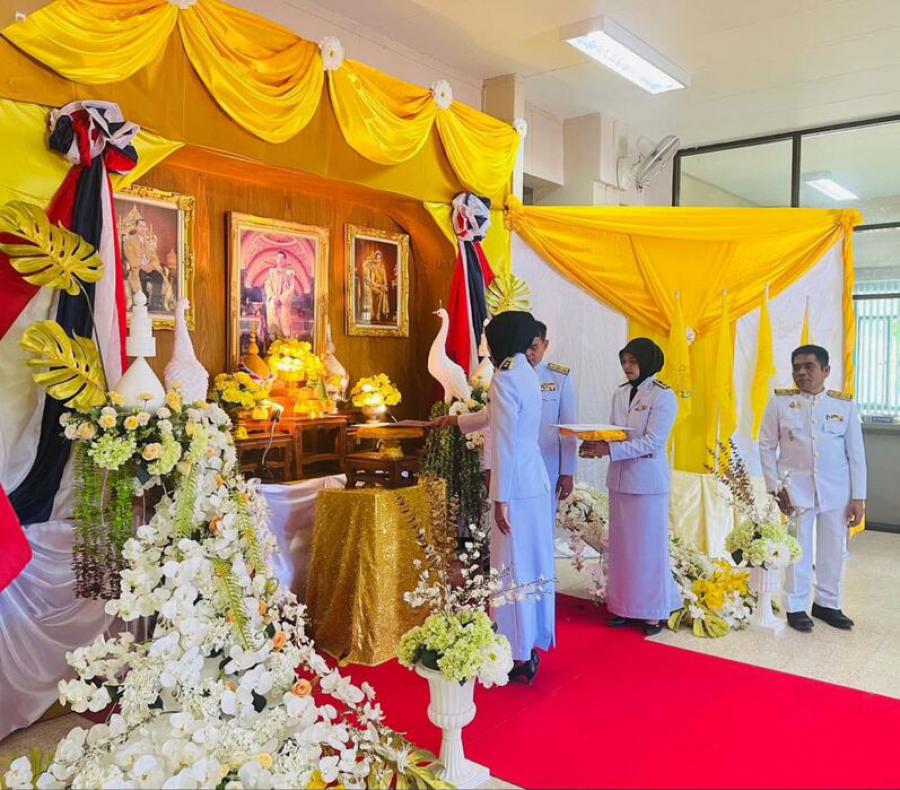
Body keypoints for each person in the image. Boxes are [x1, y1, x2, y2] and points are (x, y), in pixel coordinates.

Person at [759, 344, 867, 633]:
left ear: (826, 370)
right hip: (794, 490)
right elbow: (767, 446)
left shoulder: (843, 405)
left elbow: (856, 455)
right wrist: (775, 487)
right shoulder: (780, 402)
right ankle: (795, 606)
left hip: (836, 492)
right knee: (797, 550)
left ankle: (827, 604)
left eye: (809, 367)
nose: (801, 373)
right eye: (797, 368)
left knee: (833, 549)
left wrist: (859, 498)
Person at [581, 338, 681, 636]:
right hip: (620, 480)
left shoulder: (663, 395)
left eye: (633, 361)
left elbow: (653, 442)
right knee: (622, 549)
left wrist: (609, 450)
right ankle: (624, 606)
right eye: (624, 361)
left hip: (648, 483)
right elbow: (617, 433)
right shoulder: (620, 393)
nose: (627, 367)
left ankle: (653, 613)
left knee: (648, 550)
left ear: (648, 361)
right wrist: (594, 443)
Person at [484, 311, 553, 683]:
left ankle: (515, 651)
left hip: (515, 487)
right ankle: (530, 642)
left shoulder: (505, 376)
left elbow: (505, 443)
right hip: (533, 481)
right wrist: (457, 422)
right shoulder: (526, 372)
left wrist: (500, 498)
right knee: (532, 564)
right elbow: (500, 423)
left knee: (511, 568)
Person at [526, 322, 578, 556]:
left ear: (545, 345)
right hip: (520, 463)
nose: (529, 353)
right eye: (525, 347)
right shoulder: (508, 375)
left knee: (544, 522)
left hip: (549, 464)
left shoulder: (558, 377)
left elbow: (568, 428)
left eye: (534, 347)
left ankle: (543, 571)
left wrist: (567, 471)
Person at [264, 251, 296, 339]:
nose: (279, 260)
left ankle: (284, 342)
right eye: (278, 258)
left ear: (285, 260)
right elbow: (267, 285)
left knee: (284, 324)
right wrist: (273, 297)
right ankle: (272, 342)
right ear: (276, 259)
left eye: (282, 258)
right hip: (272, 302)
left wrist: (281, 299)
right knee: (273, 325)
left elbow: (292, 288)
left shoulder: (289, 273)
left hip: (283, 304)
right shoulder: (271, 272)